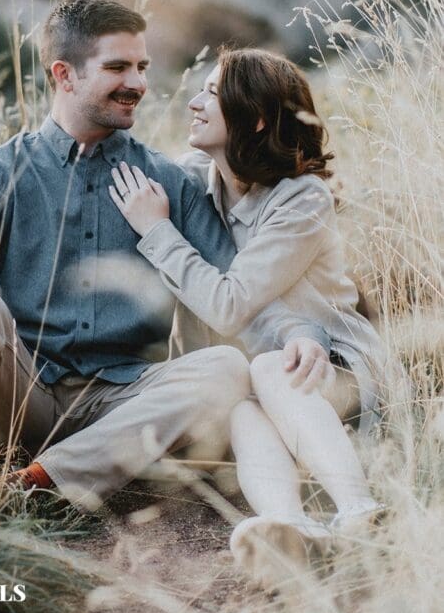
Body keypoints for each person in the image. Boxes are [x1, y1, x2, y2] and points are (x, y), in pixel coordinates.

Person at [0, 0, 250, 509]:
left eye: (141, 67)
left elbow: (236, 295)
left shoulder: (167, 181)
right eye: (117, 67)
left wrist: (310, 336)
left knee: (225, 367)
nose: (138, 84)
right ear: (65, 75)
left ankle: (33, 486)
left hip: (126, 402)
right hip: (21, 394)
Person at [109, 46, 387, 585]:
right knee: (239, 398)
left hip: (330, 375)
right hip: (252, 381)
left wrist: (158, 232)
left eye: (211, 93)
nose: (193, 102)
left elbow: (228, 303)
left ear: (254, 118)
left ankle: (359, 510)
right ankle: (290, 528)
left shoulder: (302, 199)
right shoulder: (195, 177)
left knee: (266, 368)